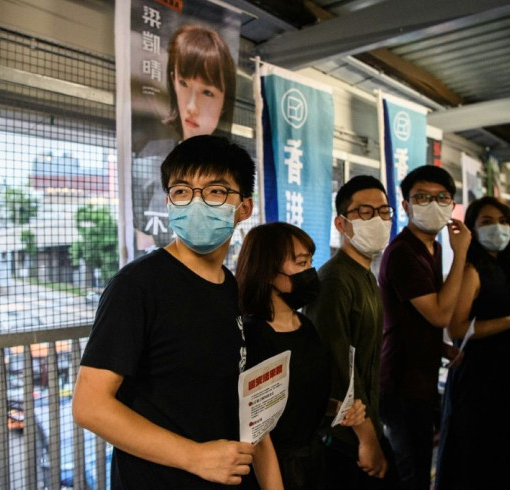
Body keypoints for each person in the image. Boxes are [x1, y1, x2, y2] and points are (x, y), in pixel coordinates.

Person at [73, 135, 281, 489]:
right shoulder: (137, 285)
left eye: (215, 191)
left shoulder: (228, 284)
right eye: (182, 191)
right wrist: (195, 456)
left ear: (244, 207)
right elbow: (89, 405)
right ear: (169, 202)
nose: (196, 202)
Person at [235, 221, 366, 490]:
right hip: (275, 472)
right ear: (269, 272)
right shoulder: (253, 336)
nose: (311, 272)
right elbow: (260, 432)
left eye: (310, 262)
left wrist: (340, 409)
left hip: (314, 464)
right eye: (301, 263)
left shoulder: (304, 325)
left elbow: (300, 395)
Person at [435, 196, 510, 489]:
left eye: (503, 221)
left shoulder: (509, 271)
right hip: (480, 381)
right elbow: (456, 326)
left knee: (509, 457)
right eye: (487, 222)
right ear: (472, 229)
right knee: (479, 461)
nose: (498, 228)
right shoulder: (471, 271)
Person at [378, 165, 471, 490]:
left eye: (441, 197)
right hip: (401, 382)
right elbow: (440, 315)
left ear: (450, 205)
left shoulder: (433, 247)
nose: (432, 204)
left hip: (422, 375)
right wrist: (462, 255)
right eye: (422, 197)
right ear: (405, 205)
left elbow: (417, 317)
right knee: (411, 473)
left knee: (419, 463)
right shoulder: (403, 253)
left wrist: (440, 347)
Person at [304, 175, 398, 489]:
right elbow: (337, 367)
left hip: (369, 424)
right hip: (346, 437)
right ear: (341, 224)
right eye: (365, 212)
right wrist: (368, 440)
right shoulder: (333, 282)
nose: (378, 219)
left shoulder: (366, 275)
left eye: (384, 212)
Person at [133, 24, 236, 252]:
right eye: (183, 84)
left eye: (207, 92)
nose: (191, 107)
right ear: (172, 80)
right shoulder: (148, 160)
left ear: (224, 102)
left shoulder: (232, 170)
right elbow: (142, 241)